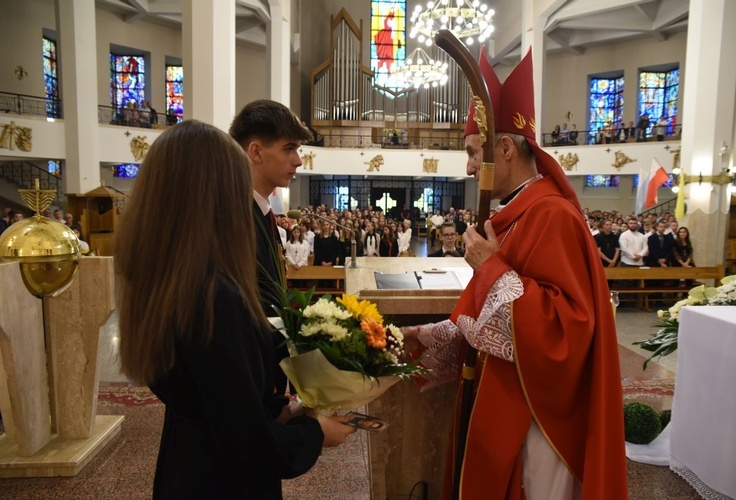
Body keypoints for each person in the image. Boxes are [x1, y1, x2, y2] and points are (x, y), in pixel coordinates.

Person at [403, 48, 626, 498]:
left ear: (504, 148)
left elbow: (567, 331)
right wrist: (433, 335)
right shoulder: (519, 215)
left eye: (471, 152)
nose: (467, 166)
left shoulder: (551, 216)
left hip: (539, 420)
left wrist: (490, 267)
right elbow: (501, 316)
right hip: (509, 393)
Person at [114, 120, 354, 498]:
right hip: (221, 481)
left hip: (187, 461)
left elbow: (214, 397)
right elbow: (245, 443)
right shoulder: (212, 295)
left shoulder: (164, 276)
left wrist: (282, 412)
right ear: (215, 194)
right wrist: (315, 433)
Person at [229, 99, 311, 396]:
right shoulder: (234, 217)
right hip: (247, 377)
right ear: (256, 151)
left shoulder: (259, 212)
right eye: (289, 149)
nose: (298, 160)